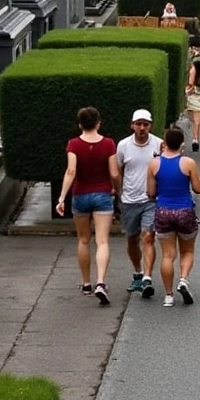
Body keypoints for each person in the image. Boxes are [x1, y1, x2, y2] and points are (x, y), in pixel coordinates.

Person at [56, 106, 121, 305]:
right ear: (98, 123)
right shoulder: (109, 144)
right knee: (102, 241)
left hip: (80, 194)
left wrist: (61, 197)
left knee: (83, 240)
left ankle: (86, 283)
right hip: (102, 194)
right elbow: (114, 173)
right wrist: (116, 189)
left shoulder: (74, 144)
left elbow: (71, 171)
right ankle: (100, 281)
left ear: (79, 124)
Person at [147, 127, 200, 307]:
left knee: (167, 255)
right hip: (185, 210)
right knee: (187, 251)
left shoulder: (154, 164)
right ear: (181, 144)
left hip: (163, 210)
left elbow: (150, 192)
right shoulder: (188, 163)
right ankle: (183, 279)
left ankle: (168, 296)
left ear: (164, 143)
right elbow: (198, 188)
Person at [116, 109, 163, 299]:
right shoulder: (123, 146)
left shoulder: (159, 144)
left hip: (150, 200)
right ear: (132, 125)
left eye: (145, 124)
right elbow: (118, 170)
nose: (142, 128)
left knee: (148, 236)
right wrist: (118, 193)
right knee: (132, 239)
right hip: (129, 200)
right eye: (139, 124)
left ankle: (147, 277)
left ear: (150, 125)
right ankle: (137, 272)